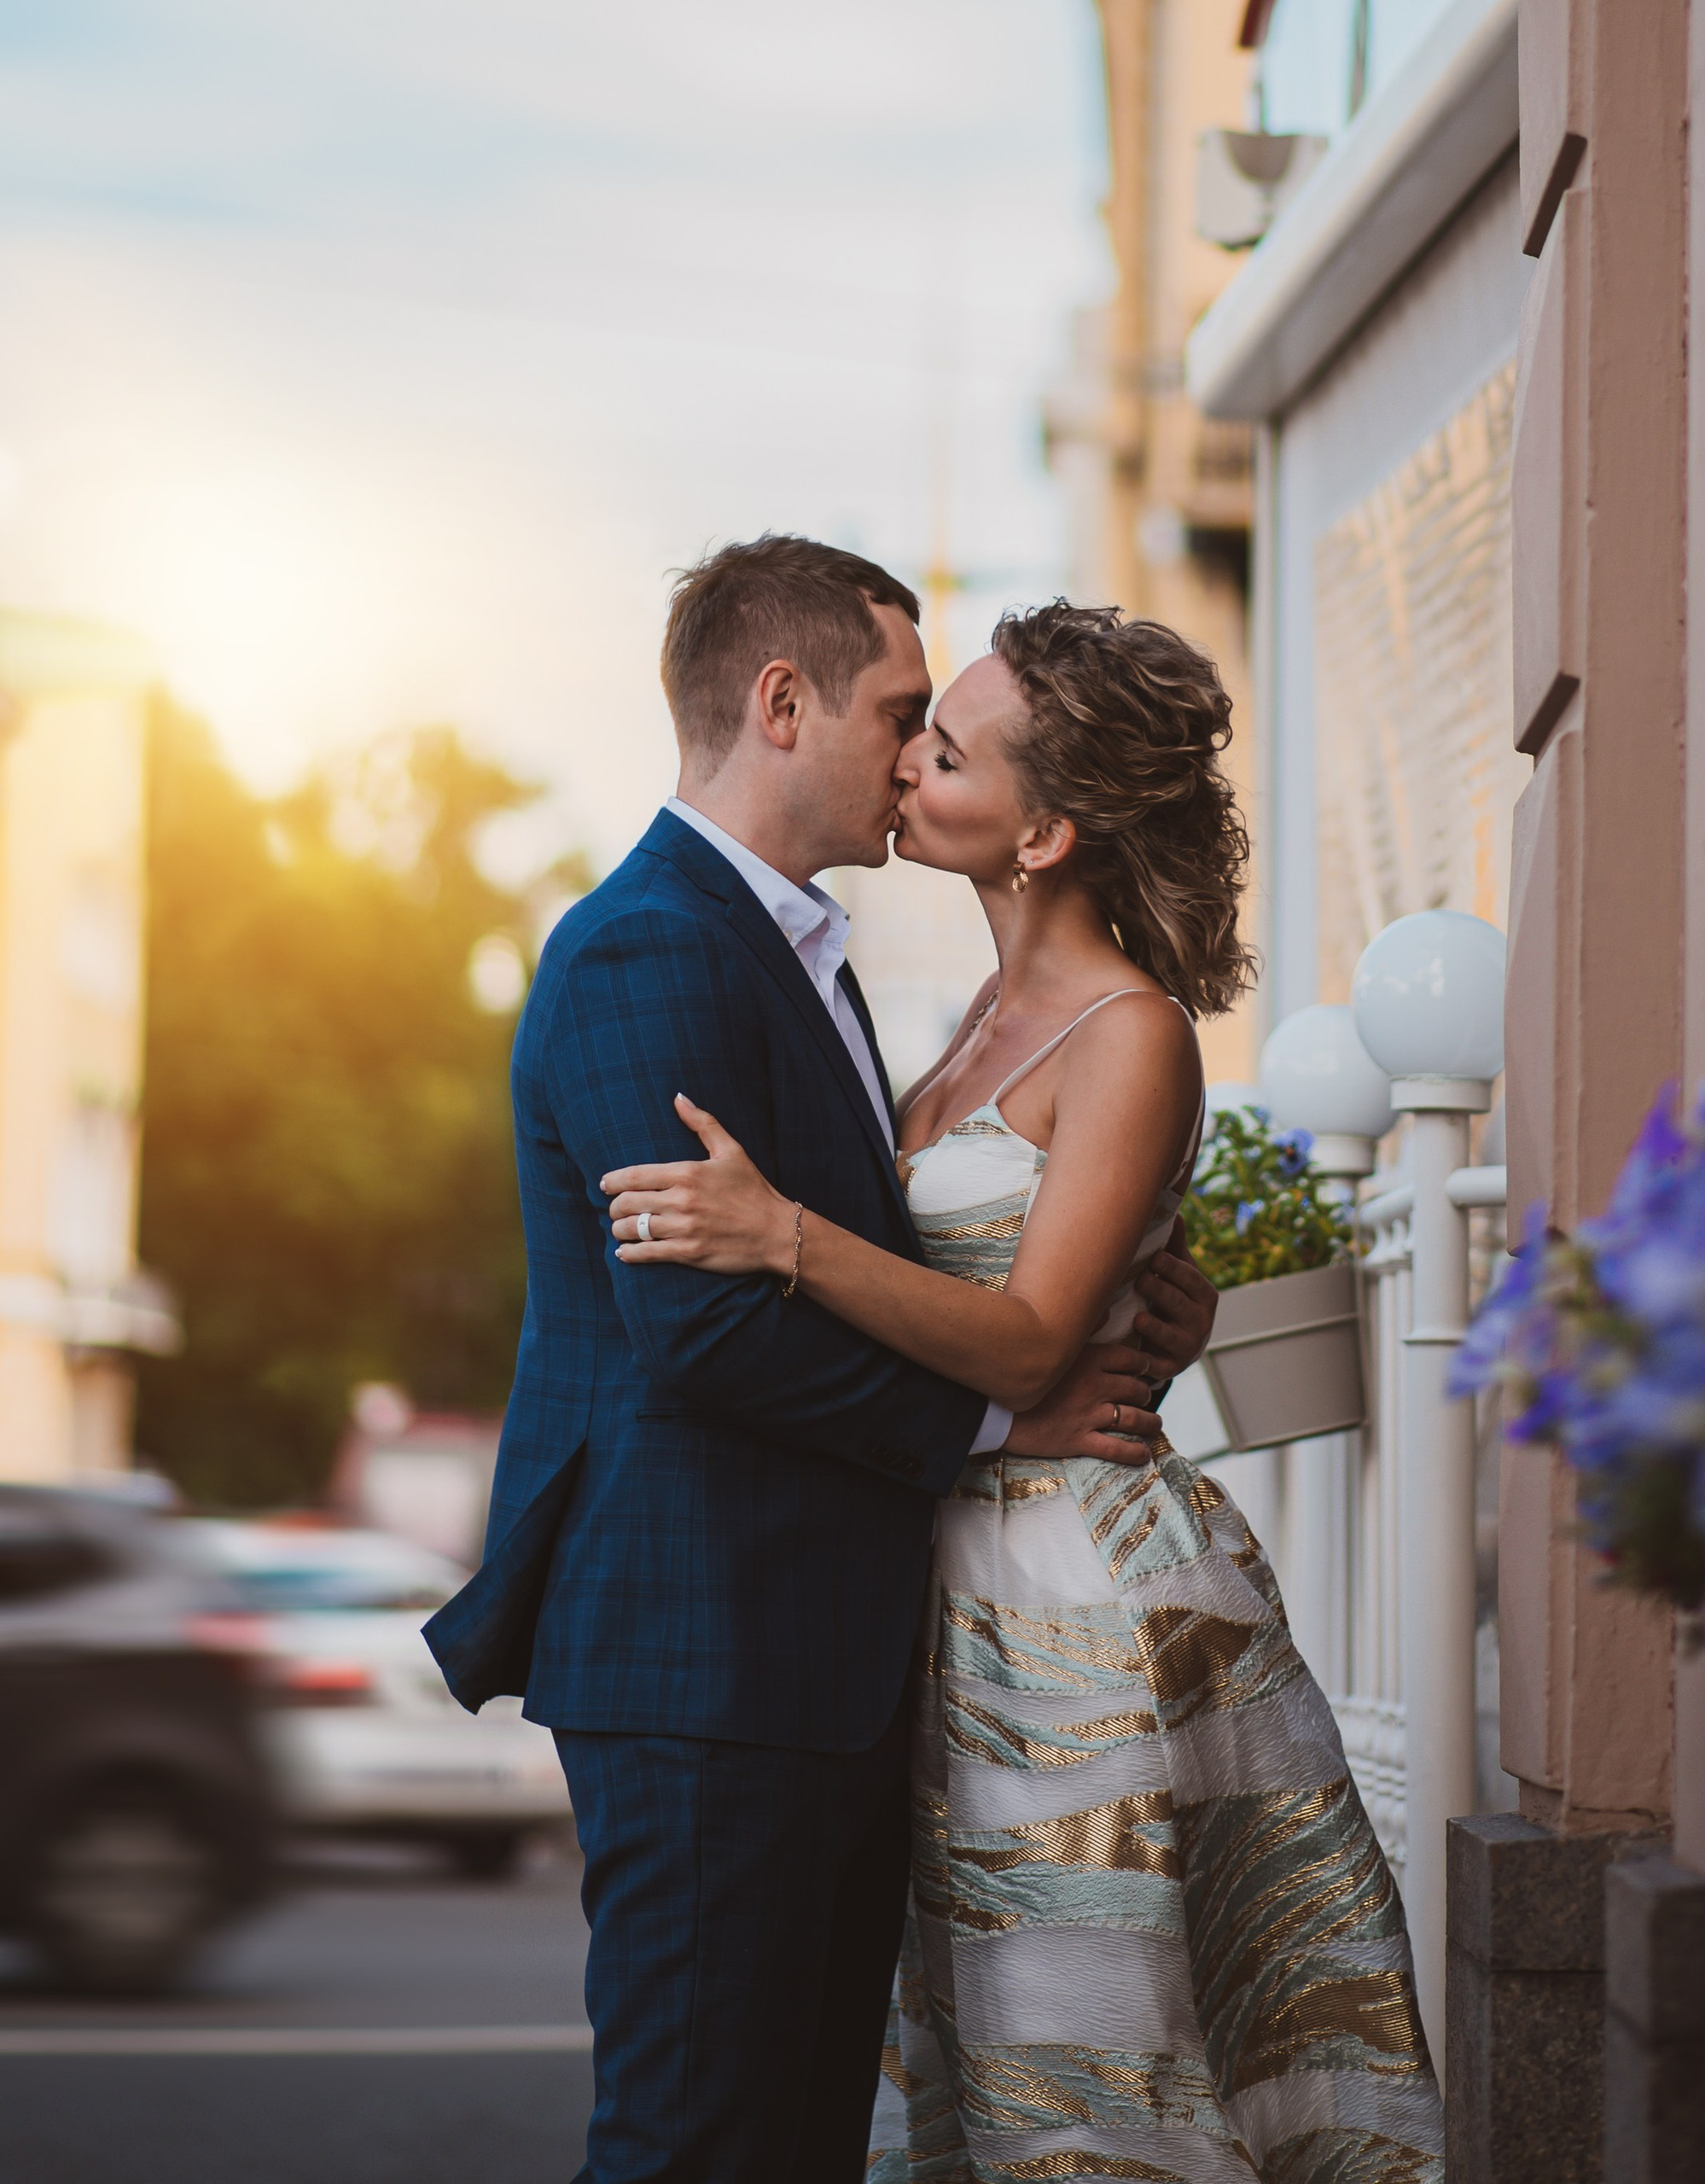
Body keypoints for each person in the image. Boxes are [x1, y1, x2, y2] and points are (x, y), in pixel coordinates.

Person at [602, 601, 1446, 2178]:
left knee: (1092, 2077)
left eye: (948, 749)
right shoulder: (965, 1025)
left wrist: (782, 1235)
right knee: (975, 2067)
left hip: (1083, 1615)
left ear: (1045, 832)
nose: (906, 763)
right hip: (948, 1582)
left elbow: (1033, 1342)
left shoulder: (1132, 1033)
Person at [422, 538, 1219, 2184]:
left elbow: (919, 1252)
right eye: (900, 713)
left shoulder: (811, 955)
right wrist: (1002, 1417)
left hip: (842, 1661)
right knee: (694, 2142)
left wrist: (1137, 1285)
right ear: (784, 705)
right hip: (712, 1652)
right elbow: (703, 1329)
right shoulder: (653, 947)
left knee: (793, 2145)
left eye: (942, 730)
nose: (913, 753)